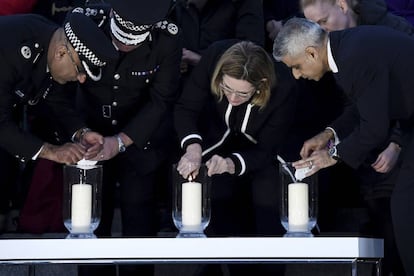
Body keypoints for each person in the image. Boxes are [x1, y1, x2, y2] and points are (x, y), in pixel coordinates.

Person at [273, 17, 414, 275]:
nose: (296, 75)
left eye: (296, 66)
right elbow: (363, 108)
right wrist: (329, 134)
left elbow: (374, 128)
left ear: (311, 53)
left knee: (406, 210)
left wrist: (331, 156)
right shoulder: (346, 49)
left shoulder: (353, 58)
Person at [175, 39, 297, 275]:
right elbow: (186, 108)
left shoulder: (284, 86)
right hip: (214, 142)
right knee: (215, 198)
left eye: (242, 93)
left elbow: (268, 149)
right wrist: (192, 147)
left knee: (267, 207)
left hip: (265, 154)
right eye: (227, 89)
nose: (232, 98)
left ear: (260, 85)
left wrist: (231, 163)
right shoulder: (212, 58)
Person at [0, 11, 117, 165]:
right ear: (61, 53)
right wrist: (51, 151)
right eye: (80, 70)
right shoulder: (9, 50)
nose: (81, 79)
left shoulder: (51, 40)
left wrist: (81, 133)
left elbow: (53, 95)